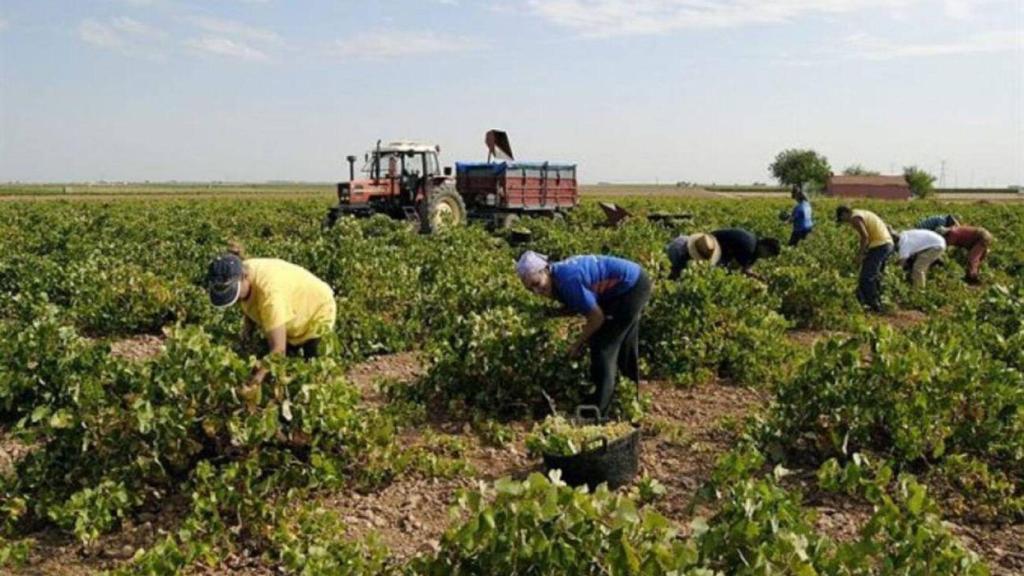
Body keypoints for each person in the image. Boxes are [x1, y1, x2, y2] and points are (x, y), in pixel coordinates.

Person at [516, 251, 652, 417]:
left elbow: (596, 317)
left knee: (603, 347)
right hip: (630, 282)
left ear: (545, 270)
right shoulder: (558, 276)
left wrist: (576, 344)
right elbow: (578, 303)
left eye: (537, 283)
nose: (537, 291)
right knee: (622, 342)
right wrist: (553, 313)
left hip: (632, 287)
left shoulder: (568, 281)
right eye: (530, 289)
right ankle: (628, 398)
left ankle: (599, 412)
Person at [207, 251, 337, 391]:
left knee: (311, 373)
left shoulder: (270, 297)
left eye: (234, 292)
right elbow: (248, 302)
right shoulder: (243, 271)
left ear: (243, 277)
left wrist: (255, 383)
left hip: (316, 310)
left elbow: (278, 350)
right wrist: (247, 332)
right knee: (275, 362)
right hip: (289, 303)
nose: (235, 300)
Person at [836, 206, 894, 312]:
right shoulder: (861, 213)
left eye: (842, 218)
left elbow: (865, 237)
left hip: (880, 245)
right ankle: (877, 302)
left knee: (867, 277)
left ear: (844, 213)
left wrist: (860, 255)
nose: (844, 222)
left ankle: (873, 305)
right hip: (886, 244)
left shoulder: (855, 218)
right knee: (875, 275)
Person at [665, 229, 780, 279]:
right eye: (768, 255)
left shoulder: (755, 243)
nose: (766, 258)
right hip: (712, 244)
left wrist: (756, 276)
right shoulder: (748, 247)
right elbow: (741, 269)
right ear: (765, 247)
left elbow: (748, 266)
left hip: (709, 244)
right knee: (681, 270)